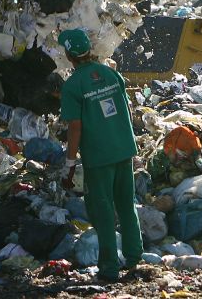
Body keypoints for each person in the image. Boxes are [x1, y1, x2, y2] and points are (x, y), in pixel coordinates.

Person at [57, 28, 143, 282]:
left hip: (99, 156)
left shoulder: (73, 86)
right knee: (126, 204)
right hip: (124, 148)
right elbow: (124, 110)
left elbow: (75, 127)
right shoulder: (111, 74)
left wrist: (69, 164)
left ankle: (109, 268)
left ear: (69, 55)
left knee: (102, 211)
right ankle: (134, 256)